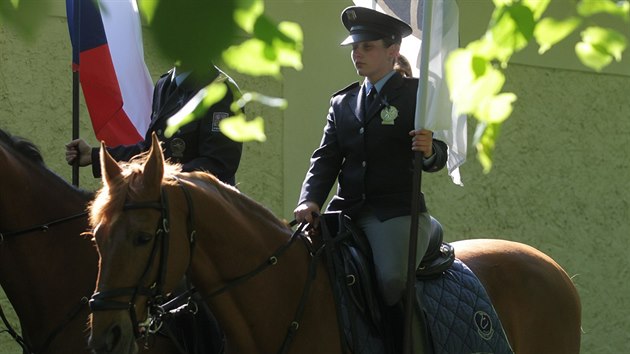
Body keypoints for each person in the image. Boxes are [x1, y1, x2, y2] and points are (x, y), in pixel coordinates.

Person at [293, 6, 448, 353]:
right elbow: (326, 158)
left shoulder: (417, 95)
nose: (357, 55)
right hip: (344, 211)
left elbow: (441, 154)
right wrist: (310, 199)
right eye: (354, 48)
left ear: (393, 50)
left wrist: (429, 151)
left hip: (394, 213)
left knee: (392, 280)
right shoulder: (343, 102)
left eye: (367, 47)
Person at [65, 64, 243, 186]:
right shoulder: (165, 84)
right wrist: (96, 156)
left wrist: (159, 176)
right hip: (168, 204)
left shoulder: (222, 91)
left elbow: (218, 165)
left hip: (206, 213)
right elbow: (150, 150)